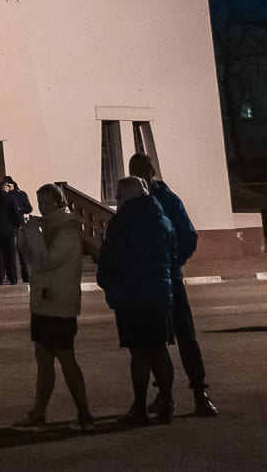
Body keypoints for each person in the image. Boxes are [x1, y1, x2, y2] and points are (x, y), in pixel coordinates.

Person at [128, 152, 214, 416]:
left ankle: (198, 392)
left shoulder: (166, 200)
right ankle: (168, 394)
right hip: (154, 281)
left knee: (182, 337)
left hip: (167, 280)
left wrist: (170, 263)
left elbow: (187, 236)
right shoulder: (142, 202)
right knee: (158, 342)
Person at [95, 175, 177, 426]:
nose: (117, 201)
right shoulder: (162, 220)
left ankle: (139, 406)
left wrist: (105, 279)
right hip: (159, 292)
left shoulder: (121, 223)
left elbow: (112, 259)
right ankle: (167, 402)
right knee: (159, 349)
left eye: (118, 196)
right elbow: (173, 253)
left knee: (139, 353)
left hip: (131, 294)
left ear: (127, 196)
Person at [16, 182, 95, 431]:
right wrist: (25, 242)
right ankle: (38, 413)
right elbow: (35, 264)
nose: (43, 208)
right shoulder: (49, 227)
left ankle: (84, 415)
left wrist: (32, 236)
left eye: (47, 203)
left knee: (65, 357)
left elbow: (46, 261)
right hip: (43, 304)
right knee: (44, 358)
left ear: (59, 203)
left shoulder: (66, 231)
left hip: (59, 306)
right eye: (40, 203)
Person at [0, 176, 30, 285]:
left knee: (0, 256)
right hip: (10, 231)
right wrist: (19, 224)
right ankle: (13, 278)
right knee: (10, 255)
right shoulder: (11, 199)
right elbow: (15, 215)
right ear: (5, 186)